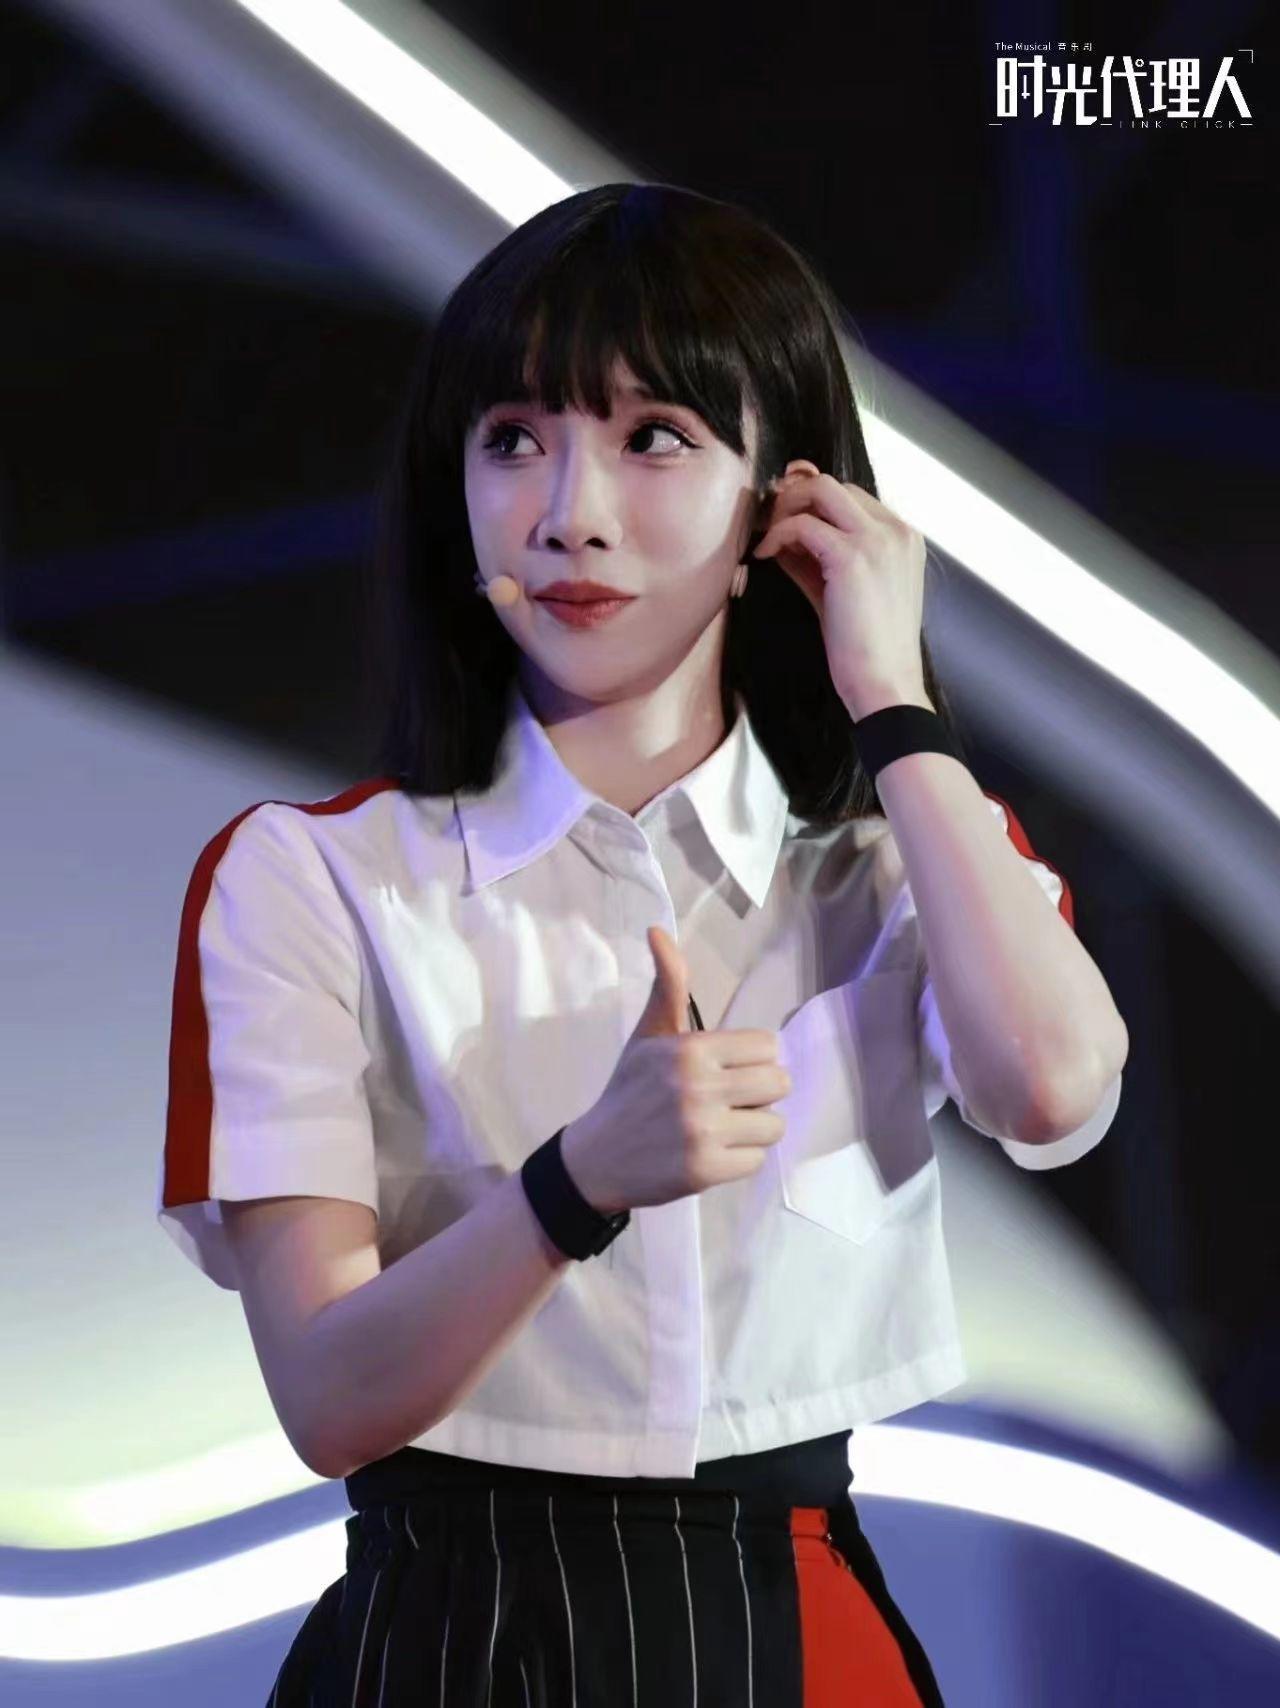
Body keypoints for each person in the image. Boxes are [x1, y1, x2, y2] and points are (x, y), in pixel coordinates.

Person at [158, 182, 1127, 1706]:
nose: (570, 513)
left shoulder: (901, 866)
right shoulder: (312, 876)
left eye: (655, 436)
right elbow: (329, 1401)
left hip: (793, 1619)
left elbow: (1055, 1089)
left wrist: (891, 698)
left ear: (780, 504)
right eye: (512, 439)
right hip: (442, 1632)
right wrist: (577, 1183)